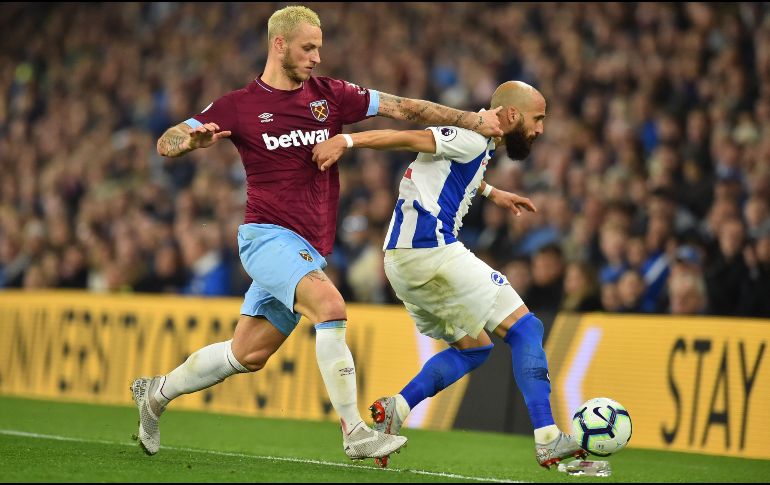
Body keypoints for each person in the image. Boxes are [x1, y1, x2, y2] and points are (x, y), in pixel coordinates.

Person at [129, 5, 504, 460]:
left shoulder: (333, 95)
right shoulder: (239, 106)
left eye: (320, 48)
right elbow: (166, 140)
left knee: (247, 354)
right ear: (279, 44)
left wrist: (472, 120)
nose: (317, 58)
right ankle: (356, 433)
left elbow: (405, 108)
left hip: (307, 248)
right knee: (331, 306)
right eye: (308, 48)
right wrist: (190, 140)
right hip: (266, 238)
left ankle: (155, 393)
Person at [312, 81, 587, 469]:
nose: (540, 129)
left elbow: (456, 167)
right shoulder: (471, 137)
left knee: (475, 348)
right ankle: (547, 438)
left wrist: (492, 193)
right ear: (511, 115)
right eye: (537, 118)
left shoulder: (479, 145)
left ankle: (397, 409)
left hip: (402, 264)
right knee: (527, 329)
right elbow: (408, 137)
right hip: (429, 249)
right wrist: (349, 143)